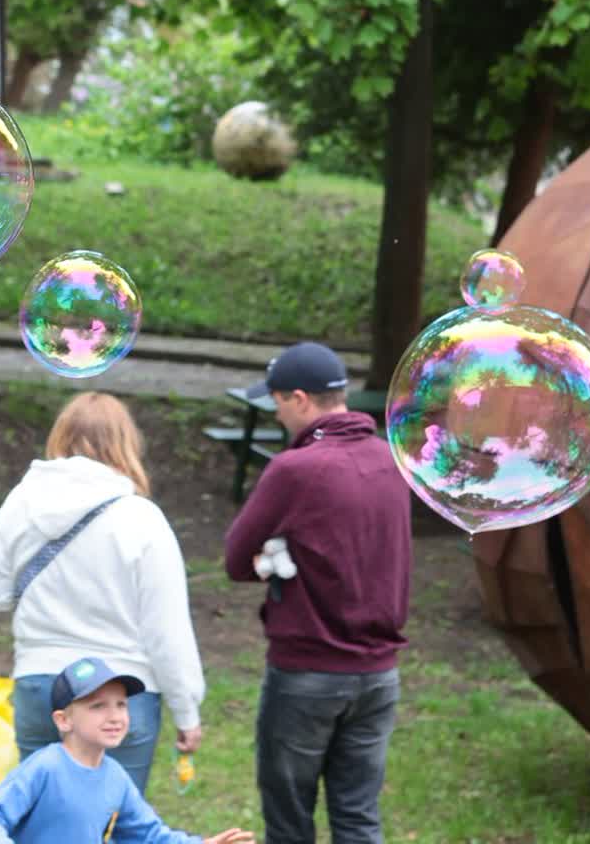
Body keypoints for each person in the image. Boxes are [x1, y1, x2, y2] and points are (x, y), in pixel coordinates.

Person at [223, 342, 412, 844]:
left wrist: (272, 560)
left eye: (279, 402)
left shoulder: (295, 469)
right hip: (378, 675)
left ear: (301, 400)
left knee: (289, 823)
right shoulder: (392, 461)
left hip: (307, 672)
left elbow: (236, 559)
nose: (279, 413)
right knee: (358, 817)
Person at [0, 391, 205, 793]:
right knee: (113, 826)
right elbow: (166, 631)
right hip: (122, 692)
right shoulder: (142, 518)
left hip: (41, 685)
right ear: (125, 444)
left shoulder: (22, 503)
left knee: (44, 825)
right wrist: (187, 711)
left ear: (60, 438)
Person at [0, 657, 254, 844]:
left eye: (121, 704)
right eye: (98, 706)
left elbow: (148, 836)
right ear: (63, 720)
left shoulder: (115, 777)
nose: (115, 716)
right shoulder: (45, 767)